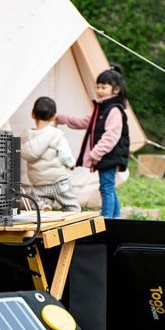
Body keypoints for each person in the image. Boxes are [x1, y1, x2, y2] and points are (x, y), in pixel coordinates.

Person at [57, 65, 130, 219]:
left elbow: (112, 136)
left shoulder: (114, 110)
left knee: (106, 188)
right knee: (108, 187)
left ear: (115, 90)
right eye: (98, 87)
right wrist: (62, 118)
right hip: (106, 156)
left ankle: (107, 219)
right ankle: (116, 217)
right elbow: (85, 122)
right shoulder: (102, 109)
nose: (99, 90)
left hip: (110, 156)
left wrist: (95, 153)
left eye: (103, 87)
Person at [20, 96, 80, 212]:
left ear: (32, 114)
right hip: (59, 182)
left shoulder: (26, 137)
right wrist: (71, 164)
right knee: (72, 207)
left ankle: (44, 206)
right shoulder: (56, 134)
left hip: (39, 183)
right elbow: (64, 155)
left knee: (40, 207)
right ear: (54, 117)